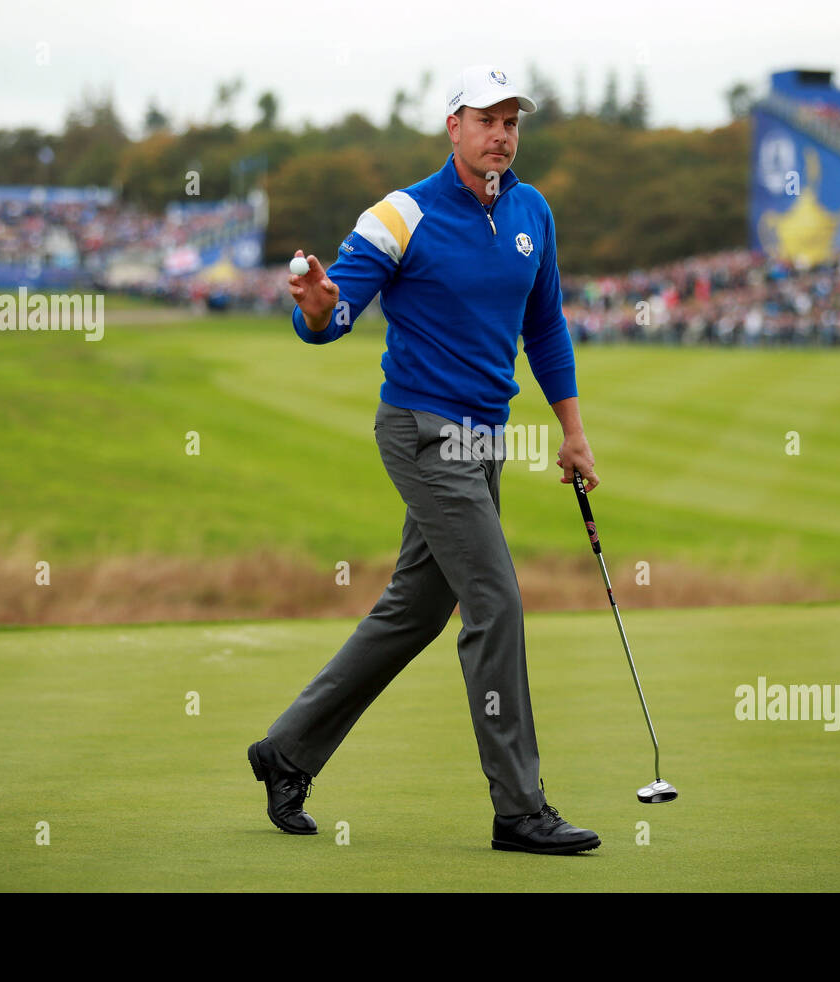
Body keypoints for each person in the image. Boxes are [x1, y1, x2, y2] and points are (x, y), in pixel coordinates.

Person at [248, 65, 603, 855]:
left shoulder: (532, 213)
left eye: (513, 120)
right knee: (496, 601)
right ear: (453, 125)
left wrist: (572, 432)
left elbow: (544, 328)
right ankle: (520, 809)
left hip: (484, 442)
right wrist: (312, 309)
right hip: (421, 432)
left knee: (414, 611)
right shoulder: (399, 215)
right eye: (487, 118)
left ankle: (286, 752)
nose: (502, 133)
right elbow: (333, 311)